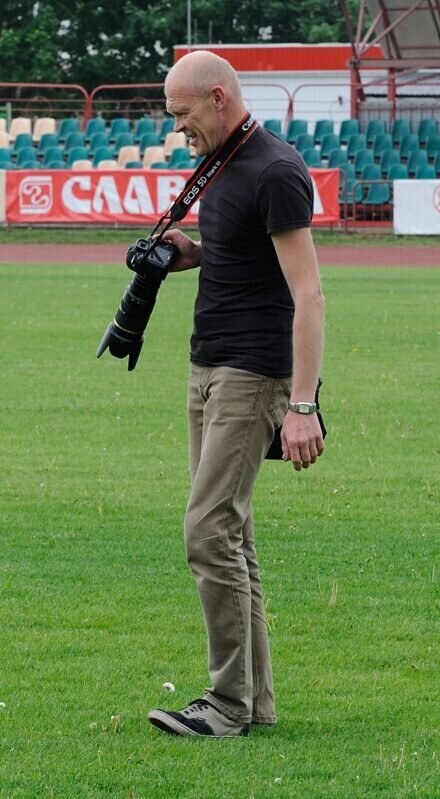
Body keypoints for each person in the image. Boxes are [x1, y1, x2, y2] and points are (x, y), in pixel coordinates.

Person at [145, 51, 325, 738]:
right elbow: (242, 256)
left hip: (254, 373)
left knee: (207, 529)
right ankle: (255, 702)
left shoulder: (274, 168)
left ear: (217, 97)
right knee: (231, 532)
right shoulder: (223, 163)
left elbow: (308, 292)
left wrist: (302, 404)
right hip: (208, 363)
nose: (179, 128)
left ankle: (225, 704)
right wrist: (190, 254)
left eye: (183, 113)